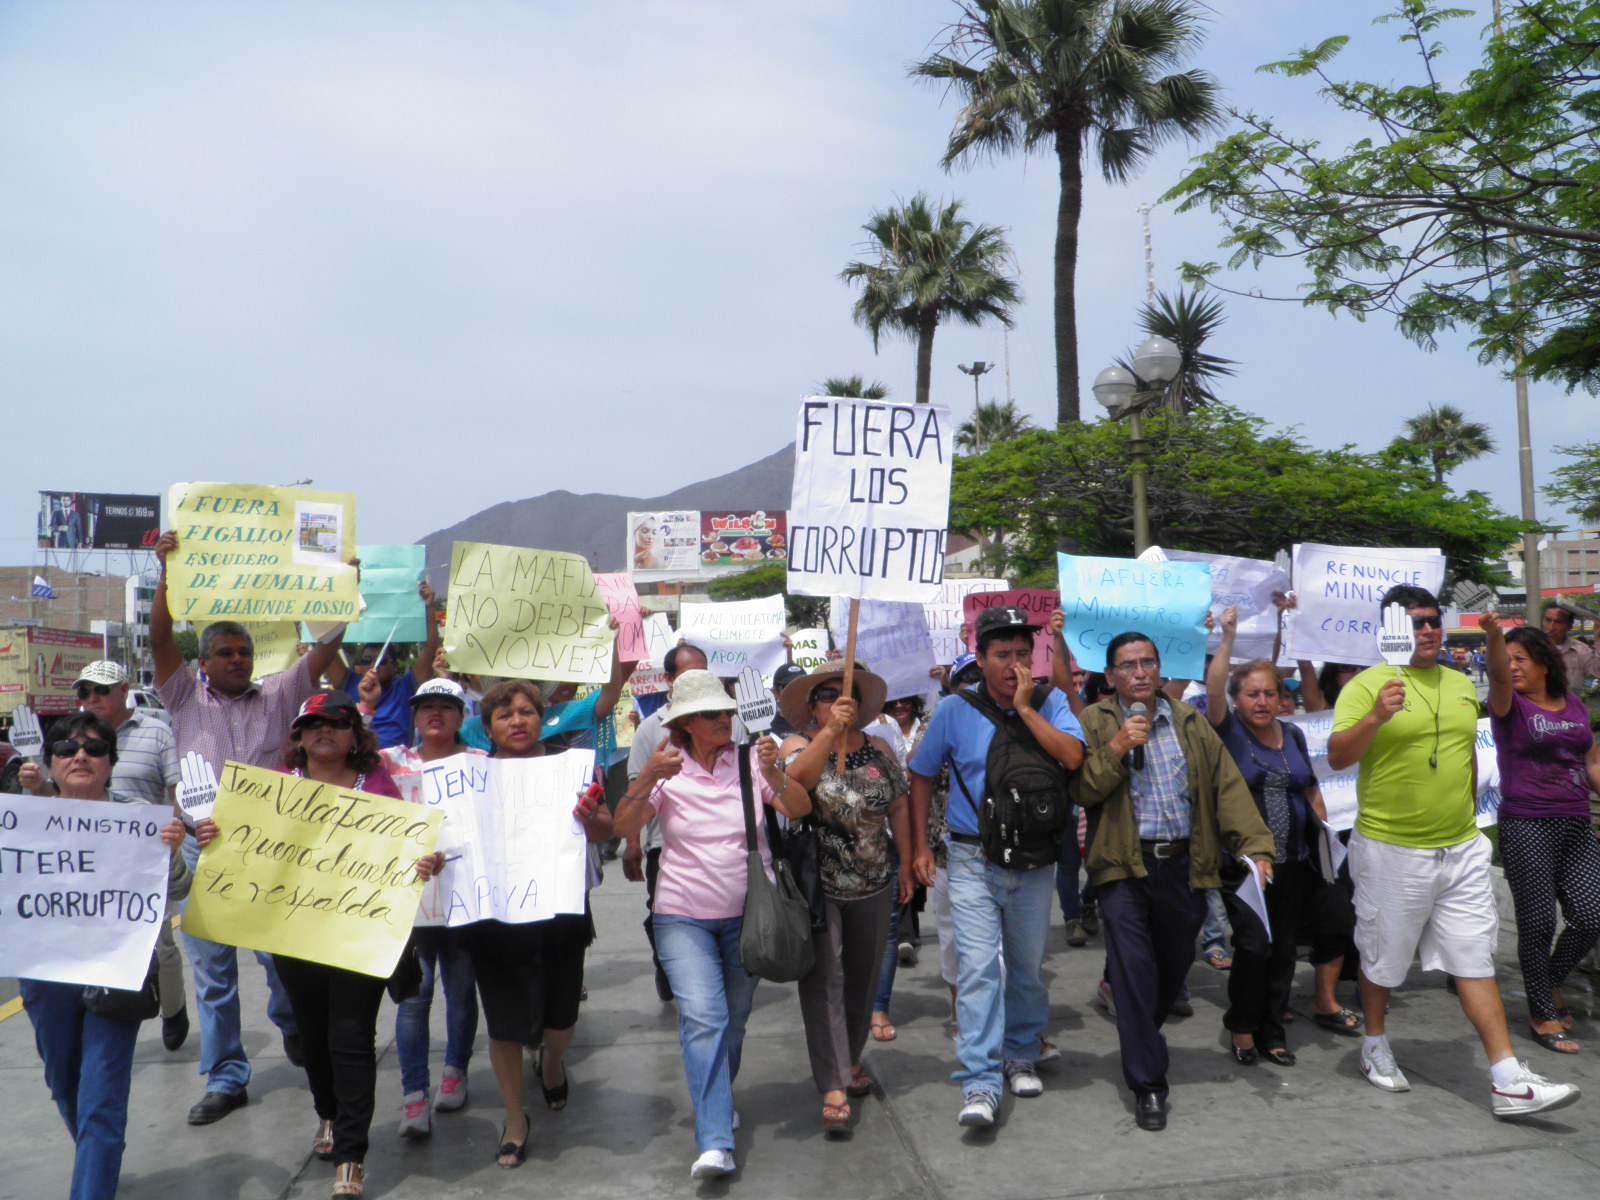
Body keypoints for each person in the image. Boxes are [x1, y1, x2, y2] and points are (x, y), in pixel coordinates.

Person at [1328, 584, 1579, 1117]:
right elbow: (1335, 758)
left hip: (1459, 847)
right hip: (1392, 848)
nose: (1425, 630)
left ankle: (1507, 1078)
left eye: (1432, 621)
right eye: (1413, 622)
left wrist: (1466, 818)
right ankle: (1374, 1043)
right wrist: (1375, 716)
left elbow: (1469, 746)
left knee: (1473, 957)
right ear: (1389, 629)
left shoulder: (1459, 681)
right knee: (1382, 958)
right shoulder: (1367, 685)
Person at [196, 690, 432, 1197]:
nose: (325, 729)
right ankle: (327, 1111)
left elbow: (406, 849)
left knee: (351, 1038)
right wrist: (212, 834)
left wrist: (423, 862)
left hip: (358, 935)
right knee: (313, 1036)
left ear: (354, 736)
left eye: (338, 721)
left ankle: (352, 1155)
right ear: (298, 738)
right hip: (294, 936)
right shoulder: (272, 789)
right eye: (313, 722)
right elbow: (237, 850)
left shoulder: (380, 786)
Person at [150, 527, 349, 1125]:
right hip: (207, 854)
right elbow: (160, 636)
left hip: (274, 856)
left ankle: (293, 1026)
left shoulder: (283, 693)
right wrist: (163, 571)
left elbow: (327, 644)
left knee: (281, 965)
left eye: (244, 652)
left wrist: (339, 586)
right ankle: (226, 1078)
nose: (238, 660)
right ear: (203, 663)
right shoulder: (184, 697)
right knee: (213, 975)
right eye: (225, 653)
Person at [1071, 630, 1274, 1132]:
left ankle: (1143, 1035)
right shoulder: (1093, 722)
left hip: (1184, 867)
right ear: (1111, 675)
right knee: (1134, 971)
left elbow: (1226, 786)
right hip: (1123, 867)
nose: (1139, 672)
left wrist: (1256, 847)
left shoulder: (1189, 722)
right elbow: (1082, 790)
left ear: (1160, 670)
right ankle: (1148, 1084)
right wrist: (1117, 748)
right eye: (1127, 664)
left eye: (1147, 662)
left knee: (1172, 965)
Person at [614, 669, 810, 1179]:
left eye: (726, 711)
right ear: (684, 724)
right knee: (704, 1018)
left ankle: (717, 1100)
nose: (723, 719)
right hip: (681, 916)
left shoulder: (751, 760)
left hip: (751, 918)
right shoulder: (667, 767)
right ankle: (715, 1140)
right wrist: (646, 778)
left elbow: (799, 807)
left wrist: (775, 774)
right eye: (710, 714)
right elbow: (623, 826)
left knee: (735, 1021)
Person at [909, 606, 1085, 1129]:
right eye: (1002, 655)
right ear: (980, 659)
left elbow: (1073, 757)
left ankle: (1021, 1051)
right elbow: (920, 775)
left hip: (1034, 861)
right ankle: (980, 1080)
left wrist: (1029, 710)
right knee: (980, 968)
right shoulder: (953, 710)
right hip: (969, 858)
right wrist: (920, 846)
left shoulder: (1051, 702)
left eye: (1022, 654)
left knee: (1027, 966)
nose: (1014, 665)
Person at [17, 712, 189, 1200]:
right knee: (65, 1084)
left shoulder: (139, 818)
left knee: (102, 1096)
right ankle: (97, 1156)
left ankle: (92, 1183)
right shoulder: (21, 821)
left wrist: (172, 851)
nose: (80, 756)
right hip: (46, 972)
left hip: (117, 971)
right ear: (49, 764)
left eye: (94, 749)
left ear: (111, 763)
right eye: (68, 748)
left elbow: (178, 888)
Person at [462, 677, 614, 1169]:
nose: (517, 721)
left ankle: (552, 1060)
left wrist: (591, 817)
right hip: (494, 919)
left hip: (560, 913)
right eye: (505, 715)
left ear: (541, 717)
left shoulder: (569, 768)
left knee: (561, 1016)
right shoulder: (468, 778)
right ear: (487, 728)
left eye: (526, 711)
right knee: (503, 1023)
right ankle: (514, 1117)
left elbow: (605, 829)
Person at [1204, 607, 1358, 1066]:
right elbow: (1214, 686)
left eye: (1270, 693)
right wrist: (1228, 637)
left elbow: (1310, 787)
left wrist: (1325, 840)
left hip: (1292, 861)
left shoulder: (1290, 734)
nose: (1263, 701)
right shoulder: (1227, 732)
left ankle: (1272, 1029)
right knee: (1254, 945)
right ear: (1236, 700)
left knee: (1285, 950)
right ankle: (1242, 1025)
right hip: (1244, 863)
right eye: (1252, 694)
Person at [24, 660, 190, 1051]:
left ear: (124, 689)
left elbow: (174, 792)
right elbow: (59, 806)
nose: (92, 698)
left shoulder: (156, 732)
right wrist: (36, 787)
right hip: (81, 868)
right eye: (84, 691)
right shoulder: (69, 738)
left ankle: (173, 1008)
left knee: (161, 945)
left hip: (141, 862)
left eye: (100, 690)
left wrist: (172, 836)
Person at [777, 662, 912, 1132]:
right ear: (812, 705)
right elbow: (794, 785)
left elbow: (899, 803)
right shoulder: (797, 745)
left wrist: (911, 860)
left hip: (875, 881)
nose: (839, 700)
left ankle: (849, 1058)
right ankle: (833, 1081)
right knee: (825, 981)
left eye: (847, 693)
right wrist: (827, 735)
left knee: (862, 978)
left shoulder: (877, 748)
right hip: (820, 886)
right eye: (828, 693)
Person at [1482, 612, 1600, 1054]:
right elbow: (1496, 673)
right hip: (1526, 823)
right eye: (1507, 659)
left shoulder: (1572, 704)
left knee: (1591, 915)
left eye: (1522, 658)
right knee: (1537, 922)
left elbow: (1591, 761)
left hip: (1574, 822)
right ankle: (1542, 1013)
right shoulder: (1507, 704)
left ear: (1545, 663)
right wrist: (1495, 638)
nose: (1513, 666)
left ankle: (1546, 983)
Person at [374, 677, 484, 1136]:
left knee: (461, 993)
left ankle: (455, 1070)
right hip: (410, 905)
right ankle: (413, 1096)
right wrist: (363, 705)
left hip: (463, 900)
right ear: (414, 715)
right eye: (425, 707)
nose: (435, 714)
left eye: (446, 706)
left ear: (462, 717)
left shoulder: (481, 763)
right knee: (414, 1001)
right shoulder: (390, 761)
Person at [624, 642, 741, 1003]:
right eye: (688, 672)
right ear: (669, 680)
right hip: (666, 847)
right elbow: (635, 790)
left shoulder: (731, 726)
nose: (719, 721)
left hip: (729, 856)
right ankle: (673, 969)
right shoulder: (650, 730)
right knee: (663, 916)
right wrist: (632, 845)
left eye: (703, 670)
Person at [333, 581, 442, 749]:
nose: (373, 666)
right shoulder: (349, 684)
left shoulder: (406, 688)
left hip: (397, 769)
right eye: (366, 661)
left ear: (395, 666)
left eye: (381, 661)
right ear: (359, 667)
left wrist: (429, 607)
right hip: (357, 763)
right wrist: (344, 596)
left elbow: (430, 649)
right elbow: (327, 649)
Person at [1543, 604, 1600, 691]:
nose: (1551, 627)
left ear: (1569, 626)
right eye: (1548, 620)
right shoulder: (1532, 649)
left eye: (1558, 622)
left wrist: (1598, 640)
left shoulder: (1581, 651)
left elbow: (1597, 670)